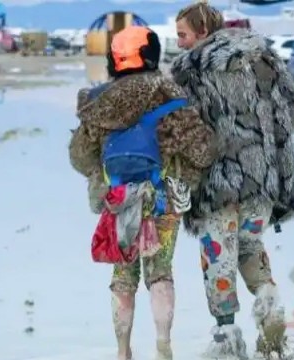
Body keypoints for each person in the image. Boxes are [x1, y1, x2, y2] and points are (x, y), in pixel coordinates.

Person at [68, 26, 217, 360]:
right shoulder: (170, 95)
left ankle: (122, 352)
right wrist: (185, 178)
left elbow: (79, 155)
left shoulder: (98, 100)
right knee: (160, 271)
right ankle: (163, 347)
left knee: (122, 275)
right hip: (163, 197)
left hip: (118, 199)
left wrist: (101, 179)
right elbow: (203, 150)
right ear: (151, 55)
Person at [170, 1, 294, 359]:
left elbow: (182, 132)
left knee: (218, 256)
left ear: (202, 33)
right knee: (250, 246)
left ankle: (226, 337)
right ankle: (270, 307)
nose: (179, 42)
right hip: (262, 180)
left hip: (217, 183)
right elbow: (289, 113)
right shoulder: (265, 58)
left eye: (182, 35)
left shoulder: (191, 69)